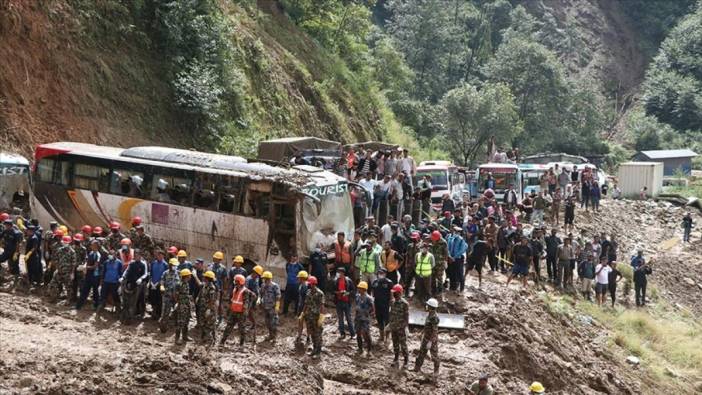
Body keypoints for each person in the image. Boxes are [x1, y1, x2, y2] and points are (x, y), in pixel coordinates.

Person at [220, 274, 255, 347]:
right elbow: (232, 300)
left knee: (242, 329)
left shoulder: (245, 291)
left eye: (236, 281)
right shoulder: (235, 289)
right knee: (228, 327)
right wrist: (229, 310)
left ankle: (241, 344)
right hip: (233, 312)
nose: (235, 282)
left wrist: (246, 311)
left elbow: (248, 301)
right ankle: (222, 342)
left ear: (240, 282)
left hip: (241, 313)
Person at [413, 298, 440, 379]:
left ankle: (436, 371)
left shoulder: (434, 317)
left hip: (431, 340)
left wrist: (431, 342)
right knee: (421, 353)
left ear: (431, 307)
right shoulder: (430, 314)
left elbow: (434, 331)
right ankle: (417, 368)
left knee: (434, 356)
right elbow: (427, 326)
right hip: (426, 338)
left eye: (428, 305)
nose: (426, 306)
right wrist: (422, 333)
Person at [120, 249, 148, 323]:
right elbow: (127, 271)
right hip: (130, 284)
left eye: (138, 255)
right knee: (126, 301)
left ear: (140, 256)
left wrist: (140, 279)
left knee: (136, 301)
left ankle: (135, 316)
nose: (136, 257)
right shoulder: (132, 263)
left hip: (139, 285)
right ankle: (124, 317)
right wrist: (123, 277)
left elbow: (145, 274)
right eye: (135, 255)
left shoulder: (143, 264)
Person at [47, 235, 76, 302]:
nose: (65, 244)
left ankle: (68, 300)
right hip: (59, 271)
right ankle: (53, 298)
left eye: (66, 242)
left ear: (69, 243)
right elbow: (56, 259)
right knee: (53, 284)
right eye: (64, 242)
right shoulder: (59, 250)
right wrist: (57, 268)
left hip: (67, 273)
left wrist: (72, 273)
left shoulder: (72, 252)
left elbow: (73, 263)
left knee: (68, 287)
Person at [387, 284, 409, 368]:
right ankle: (396, 359)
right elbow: (391, 314)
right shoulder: (392, 302)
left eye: (395, 293)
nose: (394, 294)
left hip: (401, 328)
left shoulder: (404, 304)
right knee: (395, 344)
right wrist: (390, 324)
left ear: (399, 293)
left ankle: (406, 361)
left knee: (403, 345)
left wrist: (405, 327)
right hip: (394, 327)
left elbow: (406, 317)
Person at [303, 275, 325, 358]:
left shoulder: (320, 293)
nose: (309, 285)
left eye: (310, 284)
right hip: (309, 316)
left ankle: (318, 352)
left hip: (316, 317)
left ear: (313, 284)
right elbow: (306, 304)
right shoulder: (308, 292)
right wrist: (303, 313)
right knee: (312, 333)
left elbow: (322, 306)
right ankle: (314, 349)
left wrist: (321, 317)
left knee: (318, 334)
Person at [76, 238, 101, 310]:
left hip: (94, 276)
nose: (91, 246)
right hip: (89, 274)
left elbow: (95, 266)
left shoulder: (97, 255)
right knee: (85, 290)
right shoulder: (91, 253)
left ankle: (96, 306)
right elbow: (88, 261)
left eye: (92, 245)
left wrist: (86, 267)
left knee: (95, 292)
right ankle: (79, 306)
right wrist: (84, 266)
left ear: (96, 246)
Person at [371, 268, 393, 342]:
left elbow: (391, 294)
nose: (380, 274)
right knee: (379, 320)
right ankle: (381, 336)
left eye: (382, 273)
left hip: (386, 305)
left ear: (385, 274)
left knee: (387, 321)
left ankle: (387, 337)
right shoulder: (375, 282)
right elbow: (373, 294)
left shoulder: (389, 282)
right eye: (379, 273)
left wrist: (391, 304)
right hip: (377, 304)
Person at [333, 267, 355, 339]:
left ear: (343, 273)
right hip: (338, 301)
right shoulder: (336, 281)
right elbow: (332, 290)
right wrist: (338, 293)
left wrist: (347, 293)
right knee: (340, 318)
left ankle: (352, 333)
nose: (338, 274)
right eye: (338, 272)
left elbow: (353, 291)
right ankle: (342, 333)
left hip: (346, 302)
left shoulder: (348, 281)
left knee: (349, 318)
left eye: (339, 272)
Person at [354, 281, 375, 355]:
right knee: (358, 333)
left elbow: (373, 309)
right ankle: (360, 349)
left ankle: (369, 350)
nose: (358, 289)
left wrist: (368, 313)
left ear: (364, 289)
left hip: (365, 319)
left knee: (366, 334)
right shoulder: (357, 296)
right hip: (358, 318)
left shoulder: (369, 298)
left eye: (360, 288)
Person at [260, 271, 281, 342]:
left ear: (269, 279)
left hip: (272, 307)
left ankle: (275, 337)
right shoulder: (263, 285)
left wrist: (277, 306)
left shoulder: (275, 286)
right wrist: (259, 300)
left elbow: (278, 296)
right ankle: (270, 335)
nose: (264, 280)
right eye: (264, 279)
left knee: (273, 323)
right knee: (267, 322)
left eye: (265, 279)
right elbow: (261, 294)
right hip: (265, 307)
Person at [198, 270, 218, 343]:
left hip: (209, 308)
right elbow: (201, 291)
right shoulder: (205, 285)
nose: (203, 278)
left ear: (207, 278)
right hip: (203, 307)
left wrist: (209, 309)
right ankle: (203, 337)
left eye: (204, 277)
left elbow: (212, 300)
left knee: (210, 324)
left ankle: (212, 339)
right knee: (203, 323)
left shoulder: (211, 287)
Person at [148, 250, 168, 319]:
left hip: (160, 285)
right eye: (158, 255)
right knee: (152, 298)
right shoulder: (153, 263)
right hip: (152, 284)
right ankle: (154, 311)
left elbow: (165, 276)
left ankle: (159, 314)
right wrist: (150, 282)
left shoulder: (165, 265)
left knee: (159, 299)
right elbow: (151, 273)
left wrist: (159, 283)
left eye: (160, 255)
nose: (159, 256)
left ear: (163, 256)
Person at [447, 226, 467, 292]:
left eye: (457, 232)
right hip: (451, 259)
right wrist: (449, 256)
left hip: (458, 259)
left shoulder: (461, 240)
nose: (455, 233)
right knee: (452, 273)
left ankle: (461, 289)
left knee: (460, 274)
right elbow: (448, 248)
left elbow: (461, 250)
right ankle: (452, 287)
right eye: (455, 231)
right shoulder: (451, 238)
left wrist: (454, 257)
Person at [429, 230, 449, 295]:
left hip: (440, 264)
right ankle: (433, 290)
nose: (433, 240)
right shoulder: (431, 239)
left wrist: (445, 262)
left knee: (439, 277)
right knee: (432, 277)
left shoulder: (443, 243)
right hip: (432, 262)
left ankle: (440, 291)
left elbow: (446, 253)